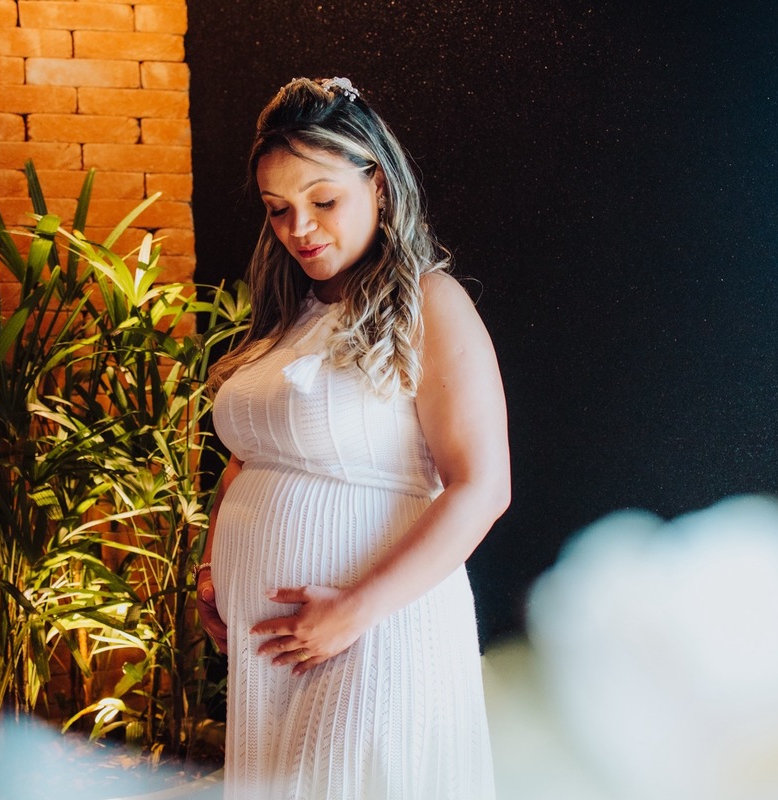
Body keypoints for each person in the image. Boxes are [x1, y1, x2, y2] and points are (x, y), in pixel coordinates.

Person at [195, 76, 510, 800]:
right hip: (276, 654)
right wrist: (213, 569)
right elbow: (250, 457)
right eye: (278, 210)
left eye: (322, 201)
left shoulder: (434, 303)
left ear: (380, 186)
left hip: (377, 638)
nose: (299, 227)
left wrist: (355, 610)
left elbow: (483, 485)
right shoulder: (293, 315)